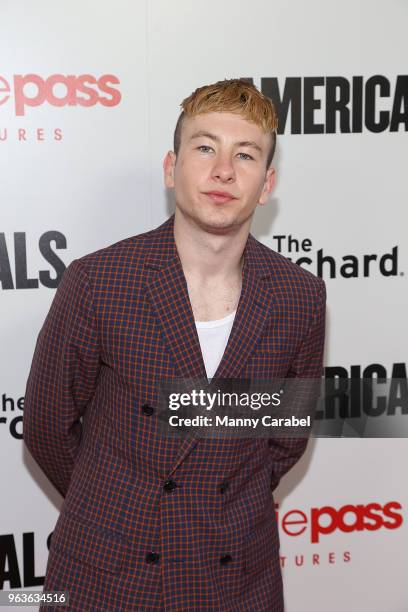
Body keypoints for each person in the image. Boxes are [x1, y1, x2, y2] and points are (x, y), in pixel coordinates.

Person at [24, 78, 326, 611]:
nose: (223, 171)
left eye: (246, 155)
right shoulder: (98, 281)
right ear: (171, 168)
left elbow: (284, 441)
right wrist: (116, 508)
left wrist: (216, 504)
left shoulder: (299, 296)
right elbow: (48, 427)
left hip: (237, 572)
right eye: (205, 147)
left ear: (267, 183)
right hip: (108, 572)